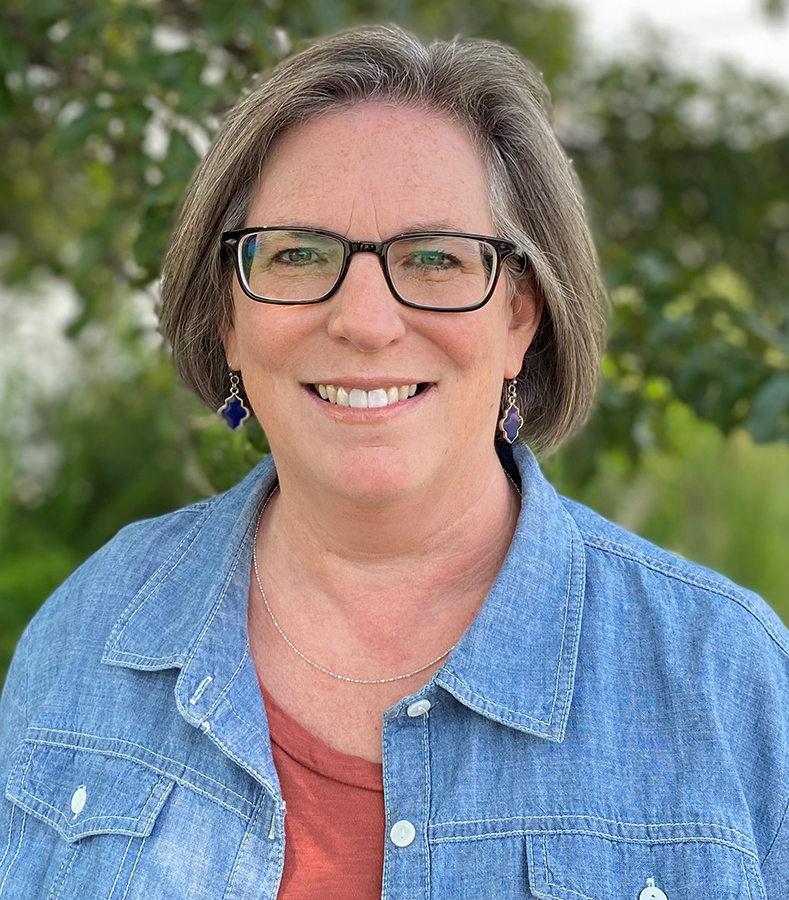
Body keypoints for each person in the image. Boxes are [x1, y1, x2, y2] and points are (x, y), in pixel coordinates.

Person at [0, 23, 788, 900]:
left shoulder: (729, 680)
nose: (366, 322)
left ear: (519, 318)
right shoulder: (91, 632)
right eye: (298, 254)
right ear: (227, 318)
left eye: (435, 258)